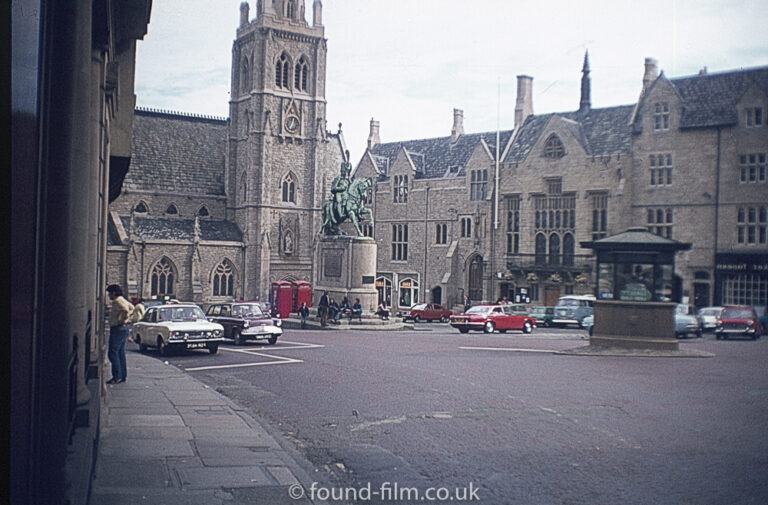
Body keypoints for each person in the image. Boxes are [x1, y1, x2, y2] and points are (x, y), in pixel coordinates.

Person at [106, 284, 134, 384]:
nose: (109, 296)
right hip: (123, 328)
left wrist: (122, 320)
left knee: (112, 353)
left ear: (113, 292)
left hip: (117, 328)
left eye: (109, 293)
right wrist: (126, 320)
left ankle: (117, 376)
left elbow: (126, 310)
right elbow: (131, 308)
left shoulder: (117, 301)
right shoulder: (123, 299)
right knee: (120, 352)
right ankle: (122, 375)